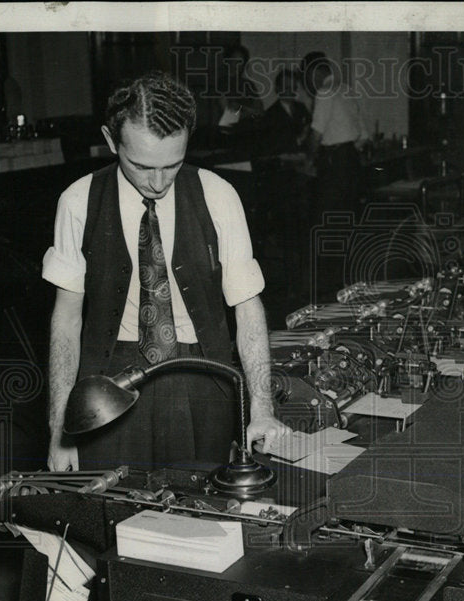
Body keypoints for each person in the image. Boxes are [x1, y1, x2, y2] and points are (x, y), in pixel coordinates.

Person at [44, 71, 289, 472]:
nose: (157, 183)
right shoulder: (77, 201)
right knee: (110, 516)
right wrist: (60, 429)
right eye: (141, 166)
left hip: (201, 378)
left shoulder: (217, 194)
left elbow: (248, 309)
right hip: (106, 388)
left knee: (200, 515)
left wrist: (260, 408)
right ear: (110, 140)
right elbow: (66, 320)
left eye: (172, 165)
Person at [302, 51, 367, 297]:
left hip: (334, 164)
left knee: (327, 223)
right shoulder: (346, 89)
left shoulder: (325, 92)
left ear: (313, 72)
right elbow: (363, 135)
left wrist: (309, 160)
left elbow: (316, 134)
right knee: (345, 223)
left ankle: (326, 288)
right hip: (351, 161)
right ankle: (345, 282)